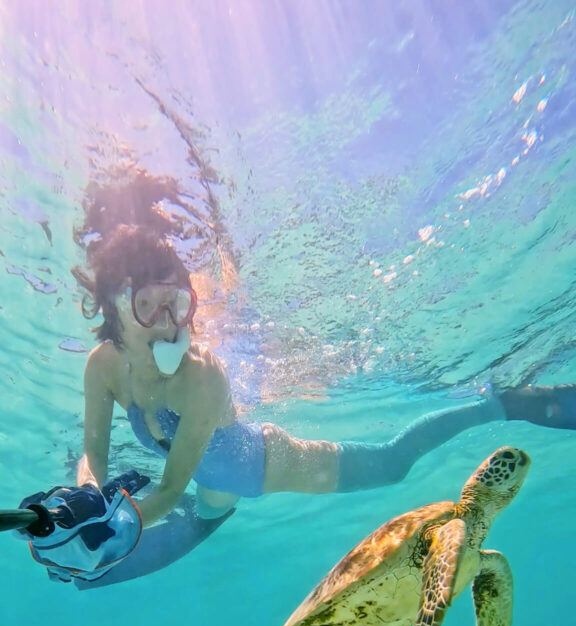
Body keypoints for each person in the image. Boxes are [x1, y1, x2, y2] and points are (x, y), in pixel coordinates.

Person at [18, 169, 576, 587]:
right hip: (200, 489)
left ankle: (498, 403)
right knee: (84, 580)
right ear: (114, 308)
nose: (169, 323)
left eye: (179, 304)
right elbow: (93, 456)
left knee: (391, 462)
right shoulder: (103, 368)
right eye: (147, 306)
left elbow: (167, 488)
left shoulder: (201, 380)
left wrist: (127, 522)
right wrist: (86, 497)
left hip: (257, 464)